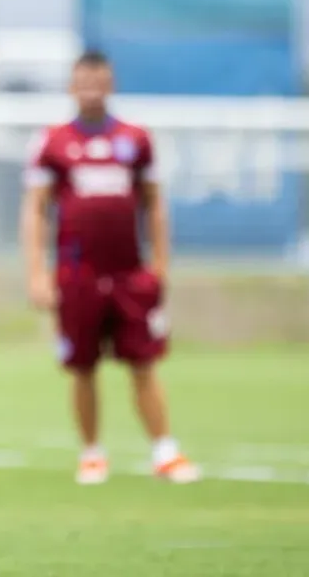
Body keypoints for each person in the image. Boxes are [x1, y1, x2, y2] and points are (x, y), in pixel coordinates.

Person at [19, 50, 200, 486]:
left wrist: (159, 264)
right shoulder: (52, 141)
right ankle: (92, 454)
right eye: (83, 81)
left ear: (111, 84)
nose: (91, 89)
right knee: (82, 365)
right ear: (71, 85)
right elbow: (36, 211)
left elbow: (154, 204)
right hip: (77, 275)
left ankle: (164, 451)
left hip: (128, 274)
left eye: (99, 81)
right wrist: (37, 274)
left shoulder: (136, 139)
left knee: (144, 361)